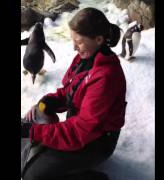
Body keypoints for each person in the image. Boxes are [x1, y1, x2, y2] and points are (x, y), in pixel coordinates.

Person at [21, 7, 127, 180]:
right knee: (32, 138)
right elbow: (70, 90)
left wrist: (34, 131)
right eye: (73, 40)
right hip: (80, 128)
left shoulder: (105, 77)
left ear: (99, 39)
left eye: (79, 42)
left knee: (32, 176)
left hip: (96, 142)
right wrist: (48, 102)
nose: (73, 47)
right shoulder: (84, 58)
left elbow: (81, 130)